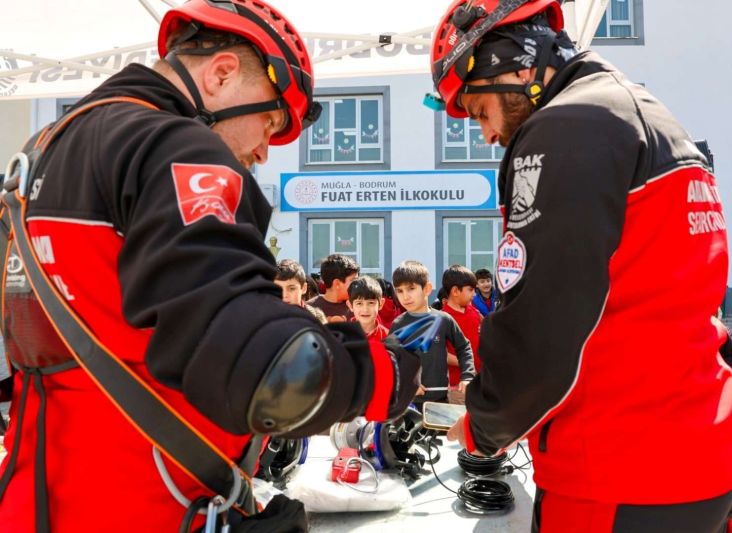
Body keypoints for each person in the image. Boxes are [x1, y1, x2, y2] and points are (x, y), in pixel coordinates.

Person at [0, 1, 420, 530]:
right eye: (269, 122)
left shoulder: (39, 153)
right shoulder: (170, 144)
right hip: (148, 501)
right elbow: (272, 369)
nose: (264, 151)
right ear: (221, 74)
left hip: (36, 491)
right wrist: (385, 374)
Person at [431, 1, 732, 530]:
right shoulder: (647, 116)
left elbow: (543, 322)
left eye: (480, 110)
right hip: (705, 446)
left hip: (619, 468)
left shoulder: (567, 129)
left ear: (514, 63)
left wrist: (483, 425)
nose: (486, 134)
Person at [389, 261, 475, 410]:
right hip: (409, 405)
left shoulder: (443, 319)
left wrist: (467, 376)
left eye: (411, 288)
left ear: (427, 289)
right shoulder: (398, 324)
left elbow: (464, 347)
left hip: (440, 402)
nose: (405, 296)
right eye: (400, 291)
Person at [440, 265, 483, 404]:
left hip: (479, 382)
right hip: (457, 386)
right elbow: (442, 354)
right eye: (470, 290)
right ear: (455, 291)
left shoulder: (474, 312)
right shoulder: (442, 318)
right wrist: (468, 365)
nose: (474, 294)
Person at [306, 254, 359, 323]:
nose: (357, 285)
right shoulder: (308, 310)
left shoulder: (358, 307)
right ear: (337, 284)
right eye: (353, 281)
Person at [275, 259, 326, 323]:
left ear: (304, 288)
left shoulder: (316, 319)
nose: (284, 295)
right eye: (278, 289)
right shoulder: (262, 318)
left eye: (291, 289)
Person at [347, 276, 389, 341]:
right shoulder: (341, 337)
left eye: (371, 303)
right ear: (350, 305)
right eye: (359, 303)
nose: (365, 309)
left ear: (381, 304)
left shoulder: (387, 337)